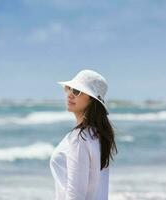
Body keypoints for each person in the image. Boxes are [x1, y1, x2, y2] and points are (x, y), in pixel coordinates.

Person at [49, 69, 118, 200]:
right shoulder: (97, 135)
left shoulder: (79, 139)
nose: (69, 94)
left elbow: (75, 195)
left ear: (92, 100)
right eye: (68, 88)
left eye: (76, 91)